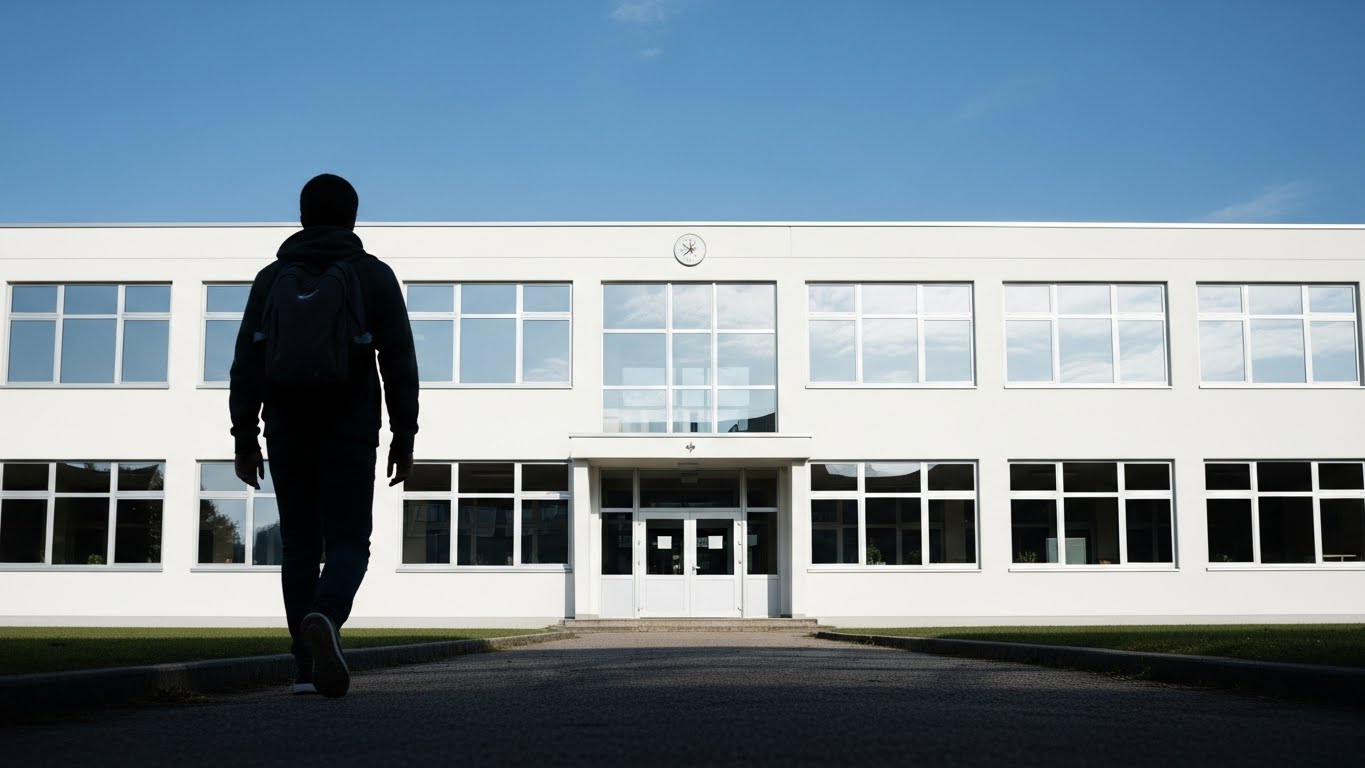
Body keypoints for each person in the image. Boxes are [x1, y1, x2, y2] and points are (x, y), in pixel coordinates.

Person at [229, 173, 419, 698]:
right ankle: (326, 617)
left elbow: (246, 361)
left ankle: (304, 669)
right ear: (354, 218)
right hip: (350, 427)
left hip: (285, 428)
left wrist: (244, 435)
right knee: (349, 542)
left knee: (298, 545)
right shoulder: (373, 276)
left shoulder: (271, 279)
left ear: (301, 217)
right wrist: (405, 434)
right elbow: (400, 360)